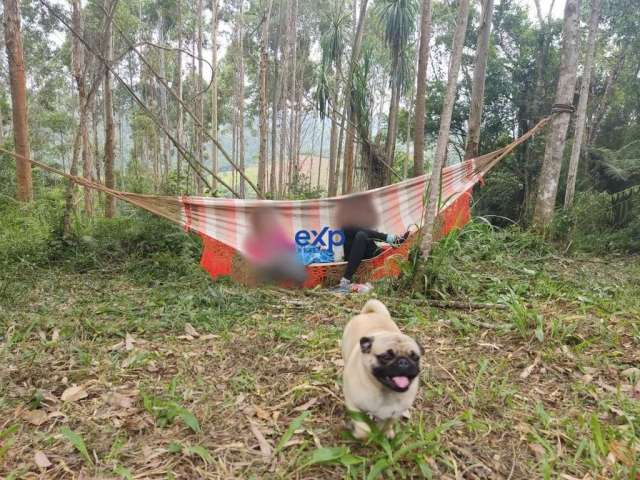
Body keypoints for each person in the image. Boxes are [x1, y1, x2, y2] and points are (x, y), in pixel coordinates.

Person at [334, 195, 407, 293]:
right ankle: (346, 279)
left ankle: (392, 241)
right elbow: (361, 232)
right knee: (362, 234)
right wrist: (387, 238)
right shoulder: (346, 224)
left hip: (369, 252)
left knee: (363, 234)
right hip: (353, 255)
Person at [243, 205, 307, 285]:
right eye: (264, 220)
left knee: (291, 260)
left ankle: (297, 285)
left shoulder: (277, 233)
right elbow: (256, 259)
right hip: (266, 268)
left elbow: (290, 246)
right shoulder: (252, 239)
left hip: (281, 265)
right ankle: (265, 284)